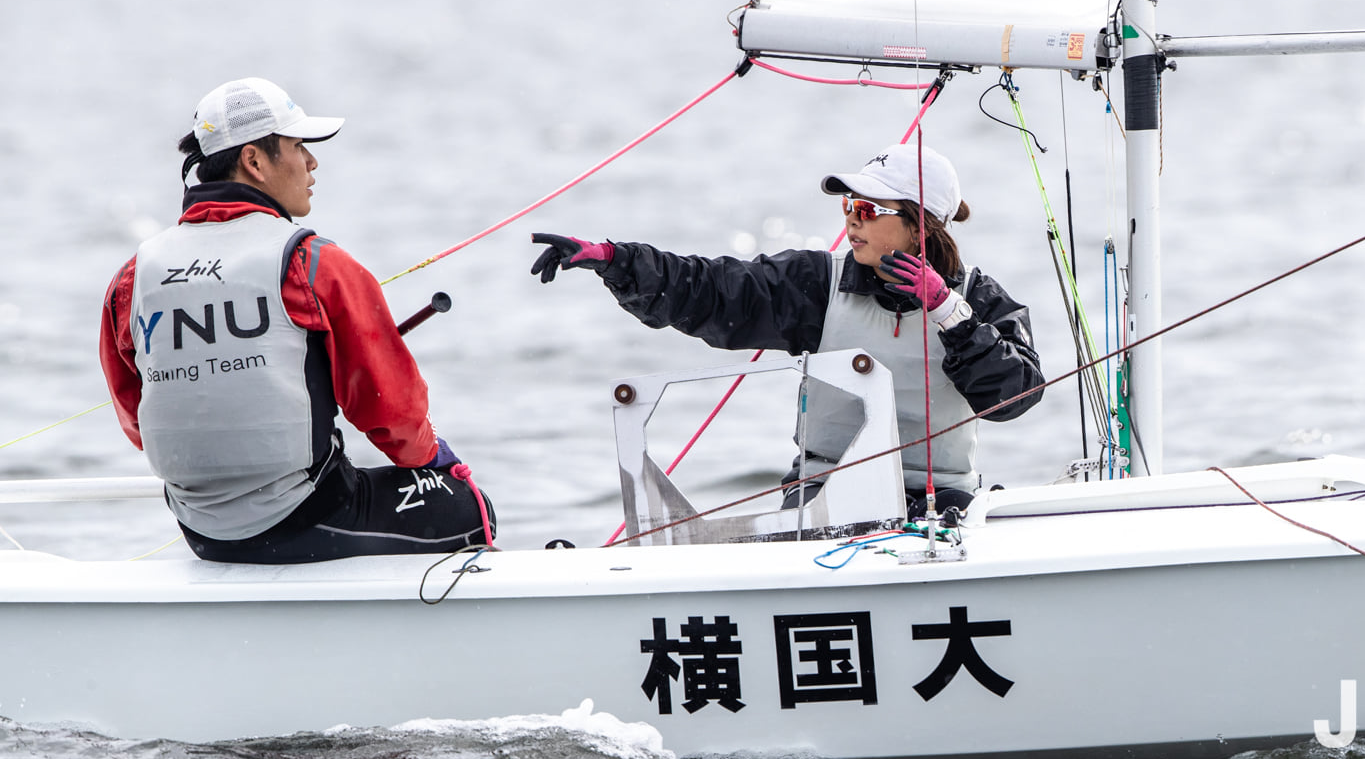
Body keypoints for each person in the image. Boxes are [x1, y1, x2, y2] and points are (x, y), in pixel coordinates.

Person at [530, 142, 1043, 520]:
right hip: (825, 491)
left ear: (919, 225)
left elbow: (1016, 397)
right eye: (848, 207)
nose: (852, 222)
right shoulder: (816, 284)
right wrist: (615, 260)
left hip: (945, 499)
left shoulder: (980, 300)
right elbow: (710, 290)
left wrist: (949, 313)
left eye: (867, 210)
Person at [99, 77, 494, 563]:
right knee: (472, 508)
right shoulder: (313, 262)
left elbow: (136, 417)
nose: (311, 162)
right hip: (307, 520)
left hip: (201, 534)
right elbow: (392, 412)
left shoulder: (133, 276)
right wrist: (435, 460)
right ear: (254, 161)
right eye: (298, 146)